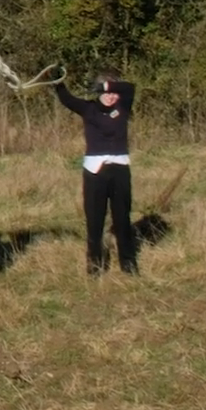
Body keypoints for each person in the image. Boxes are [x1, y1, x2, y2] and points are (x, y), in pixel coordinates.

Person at [54, 73, 139, 275]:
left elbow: (129, 87)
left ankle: (128, 263)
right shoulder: (88, 108)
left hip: (119, 169)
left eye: (113, 92)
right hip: (95, 172)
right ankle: (95, 264)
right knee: (95, 220)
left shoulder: (122, 106)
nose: (111, 96)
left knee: (122, 218)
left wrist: (107, 86)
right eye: (106, 93)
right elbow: (66, 99)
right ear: (98, 93)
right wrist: (57, 82)